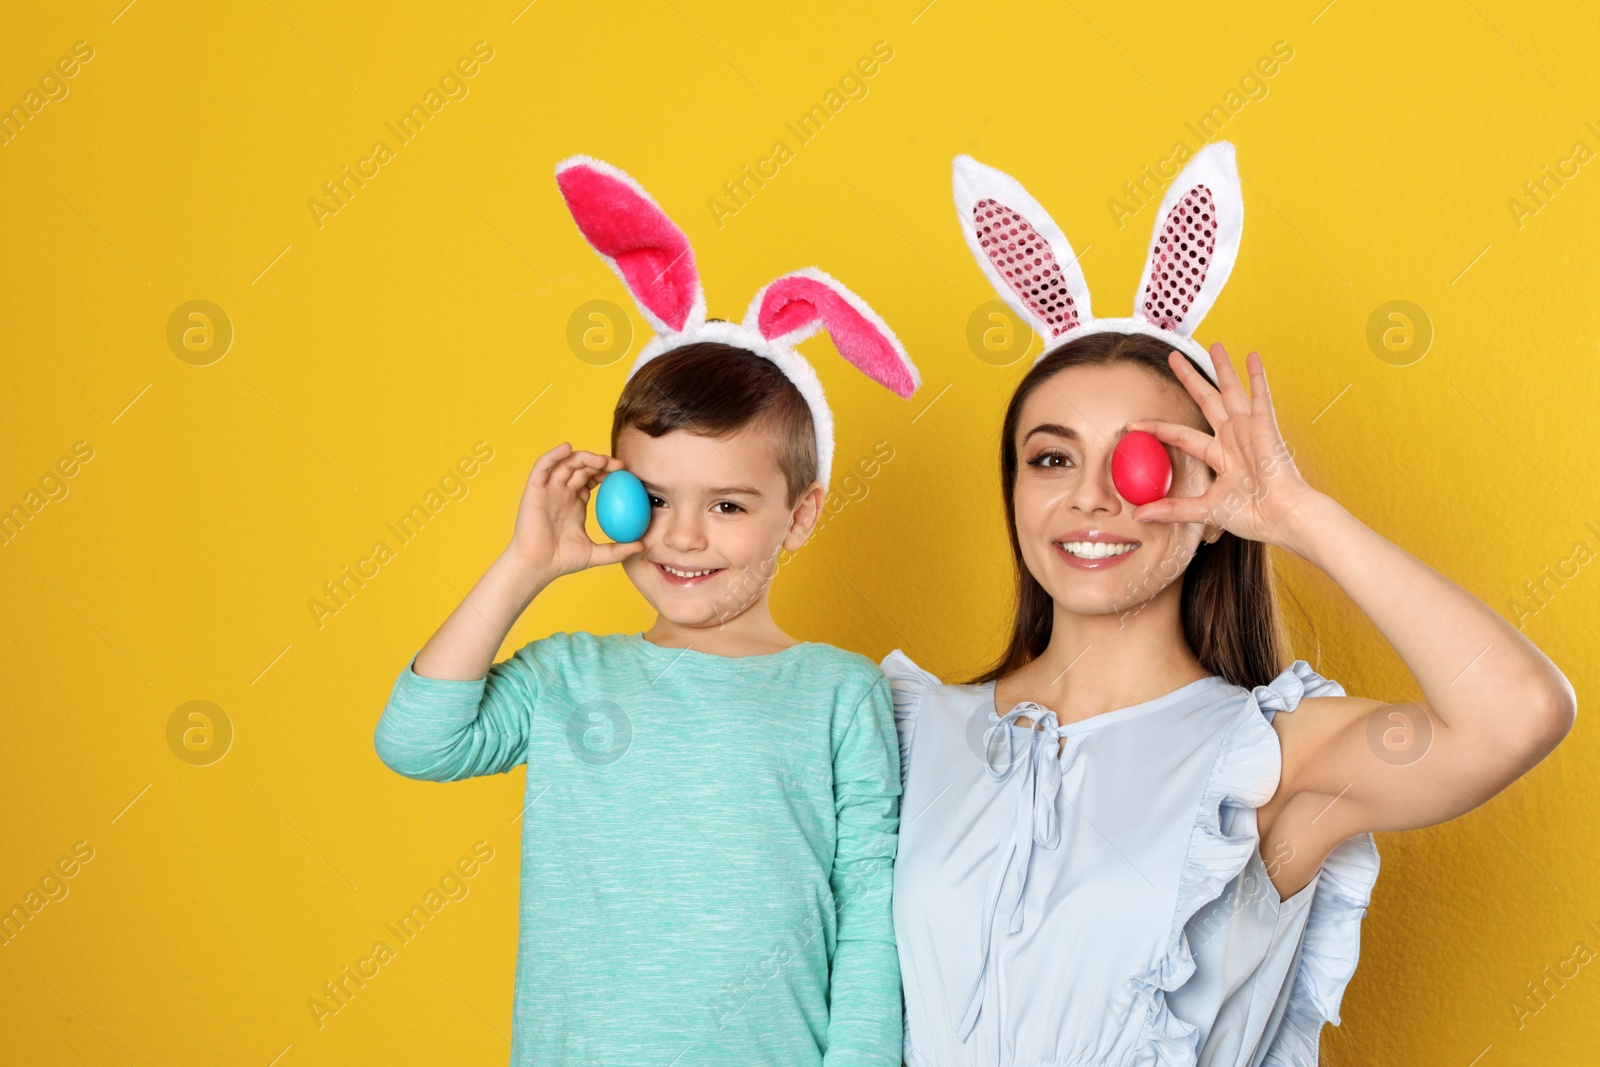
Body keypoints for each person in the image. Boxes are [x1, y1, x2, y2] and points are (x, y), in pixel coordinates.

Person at [885, 144, 1576, 1066]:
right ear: (1013, 492)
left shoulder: (1271, 761)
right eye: (1051, 457)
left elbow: (1519, 712)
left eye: (1140, 460)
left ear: (1209, 504)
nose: (1092, 496)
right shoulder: (909, 726)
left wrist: (1296, 513)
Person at [374, 155, 922, 1066]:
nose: (684, 537)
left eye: (729, 505)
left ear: (802, 514)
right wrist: (524, 566)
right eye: (653, 498)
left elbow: (869, 911)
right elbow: (418, 740)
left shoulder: (840, 693)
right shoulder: (568, 675)